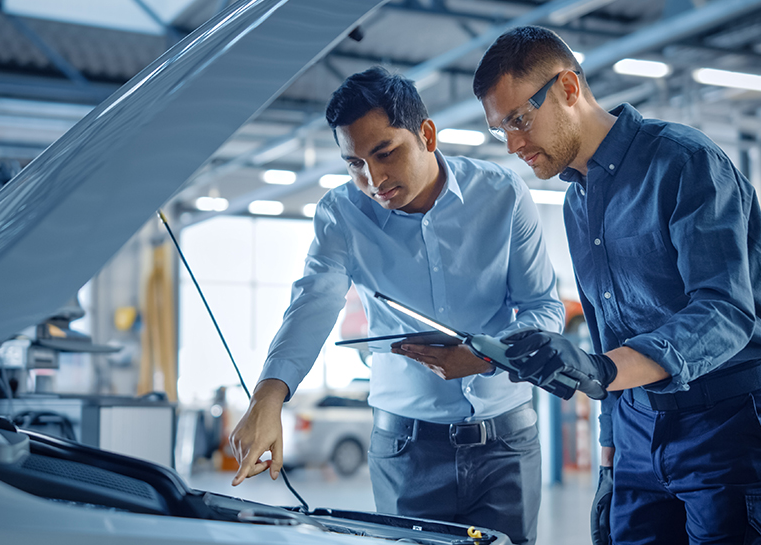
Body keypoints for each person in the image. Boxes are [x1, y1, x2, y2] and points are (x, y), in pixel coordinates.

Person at [473, 26, 761, 545]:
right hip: (636, 427)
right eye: (499, 130)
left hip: (727, 422)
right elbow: (606, 326)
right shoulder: (578, 201)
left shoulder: (685, 163)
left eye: (519, 119)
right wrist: (611, 439)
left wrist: (601, 370)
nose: (512, 144)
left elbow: (725, 311)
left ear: (569, 89)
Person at [228, 66, 565, 545]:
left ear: (427, 134)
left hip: (506, 443)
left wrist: (485, 356)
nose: (373, 178)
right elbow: (314, 302)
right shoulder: (341, 214)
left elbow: (543, 310)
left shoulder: (503, 196)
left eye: (385, 153)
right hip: (406, 450)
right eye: (354, 164)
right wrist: (268, 395)